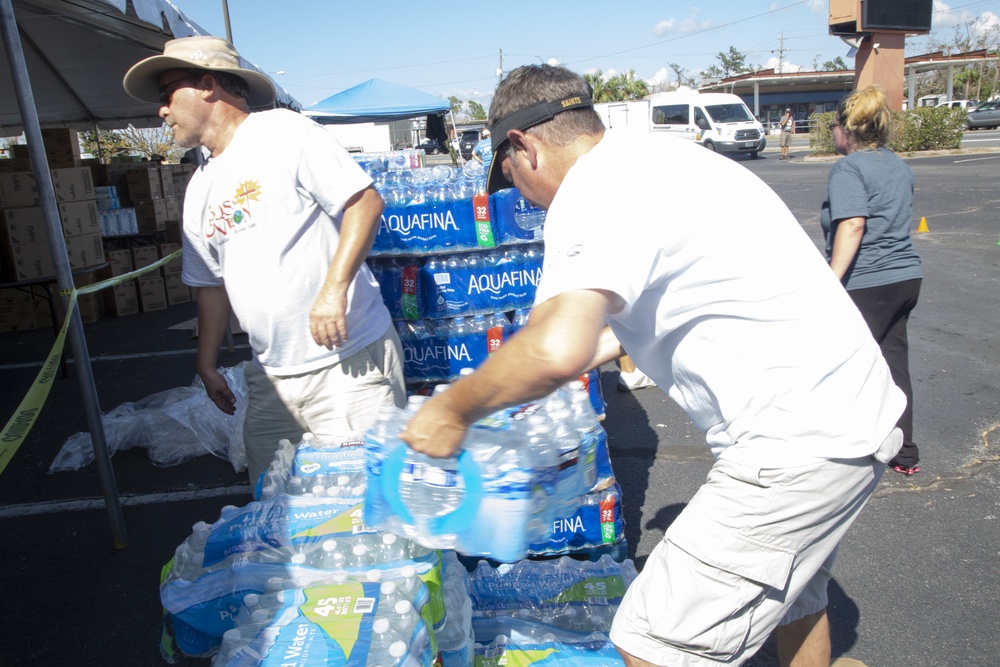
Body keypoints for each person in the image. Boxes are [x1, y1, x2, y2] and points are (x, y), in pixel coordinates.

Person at [400, 64, 905, 667]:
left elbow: (556, 346)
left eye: (509, 180)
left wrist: (453, 408)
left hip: (793, 443)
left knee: (652, 641)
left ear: (523, 147)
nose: (520, 199)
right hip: (851, 414)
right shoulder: (667, 162)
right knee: (793, 597)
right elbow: (612, 332)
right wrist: (521, 385)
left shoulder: (591, 192)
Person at [123, 36, 406, 486]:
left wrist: (333, 291)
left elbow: (364, 203)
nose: (161, 110)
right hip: (272, 379)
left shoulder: (282, 132)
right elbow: (210, 284)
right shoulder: (199, 186)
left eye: (167, 94)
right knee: (271, 501)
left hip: (346, 368)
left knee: (365, 505)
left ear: (208, 85)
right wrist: (206, 363)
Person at [821, 85, 923, 476]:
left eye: (834, 126)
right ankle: (904, 452)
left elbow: (853, 224)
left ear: (847, 129)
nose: (832, 133)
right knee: (893, 363)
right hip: (906, 278)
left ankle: (840, 449)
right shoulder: (897, 164)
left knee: (839, 363)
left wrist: (831, 280)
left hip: (869, 281)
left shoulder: (848, 168)